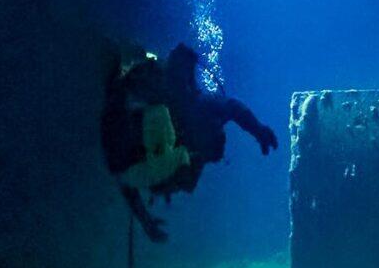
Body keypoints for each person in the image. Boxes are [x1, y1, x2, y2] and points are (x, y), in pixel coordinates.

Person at [101, 43, 277, 242]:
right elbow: (232, 106)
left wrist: (146, 221)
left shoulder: (171, 119)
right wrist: (258, 130)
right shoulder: (192, 111)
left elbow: (125, 174)